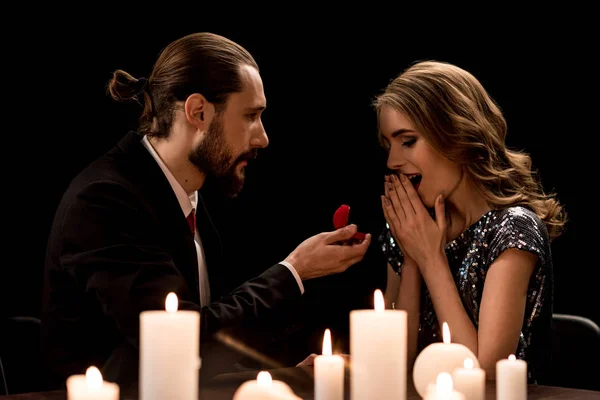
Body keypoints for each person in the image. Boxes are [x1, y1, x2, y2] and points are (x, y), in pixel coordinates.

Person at [40, 32, 371, 391]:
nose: (263, 138)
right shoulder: (105, 201)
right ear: (198, 112)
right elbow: (179, 347)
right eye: (250, 116)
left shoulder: (188, 192)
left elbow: (203, 355)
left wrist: (289, 375)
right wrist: (294, 272)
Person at [375, 60, 566, 384]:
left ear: (456, 135)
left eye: (407, 141)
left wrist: (431, 260)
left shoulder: (513, 229)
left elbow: (483, 373)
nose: (392, 161)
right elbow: (396, 366)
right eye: (388, 145)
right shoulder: (409, 230)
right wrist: (411, 257)